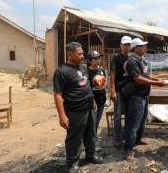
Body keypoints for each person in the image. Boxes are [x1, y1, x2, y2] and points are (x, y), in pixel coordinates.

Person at [53, 42, 103, 173]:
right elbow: (57, 94)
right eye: (79, 54)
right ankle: (72, 164)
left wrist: (92, 99)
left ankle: (91, 155)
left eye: (82, 53)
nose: (82, 56)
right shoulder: (62, 72)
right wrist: (62, 116)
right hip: (74, 110)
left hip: (89, 108)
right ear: (70, 54)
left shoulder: (83, 68)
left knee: (91, 133)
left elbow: (86, 85)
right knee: (74, 138)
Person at [124, 38, 166, 161]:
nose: (145, 48)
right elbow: (138, 79)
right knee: (133, 124)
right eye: (142, 46)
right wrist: (157, 84)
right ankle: (128, 149)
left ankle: (137, 140)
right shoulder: (132, 61)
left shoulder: (141, 60)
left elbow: (145, 75)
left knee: (142, 122)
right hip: (136, 97)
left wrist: (156, 79)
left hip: (143, 96)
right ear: (135, 48)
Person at [110, 36, 131, 147]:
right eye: (125, 44)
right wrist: (112, 90)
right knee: (117, 114)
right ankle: (117, 136)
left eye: (128, 44)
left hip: (130, 91)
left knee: (128, 113)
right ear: (121, 46)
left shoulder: (132, 58)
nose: (127, 47)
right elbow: (113, 73)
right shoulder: (117, 57)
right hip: (119, 90)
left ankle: (127, 133)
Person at [87, 50, 107, 152]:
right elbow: (87, 88)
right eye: (95, 59)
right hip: (93, 102)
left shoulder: (101, 70)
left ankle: (95, 138)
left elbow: (104, 82)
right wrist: (92, 100)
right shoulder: (87, 72)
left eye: (99, 58)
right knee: (92, 123)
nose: (98, 60)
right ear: (90, 61)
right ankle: (93, 144)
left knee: (97, 120)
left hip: (102, 100)